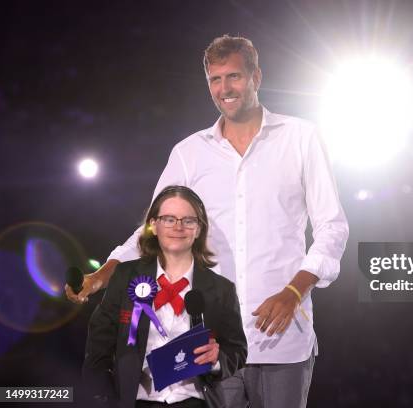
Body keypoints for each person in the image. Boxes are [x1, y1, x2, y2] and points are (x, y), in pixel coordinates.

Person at [70, 34, 349, 408]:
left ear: (256, 77)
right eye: (215, 80)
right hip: (209, 344)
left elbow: (332, 226)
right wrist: (105, 272)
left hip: (283, 341)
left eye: (233, 76)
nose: (224, 88)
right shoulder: (189, 153)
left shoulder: (300, 138)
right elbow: (155, 228)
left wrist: (294, 291)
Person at [83, 185, 247, 408]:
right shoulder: (125, 275)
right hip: (137, 401)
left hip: (195, 401)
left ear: (199, 229)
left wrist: (217, 360)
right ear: (153, 225)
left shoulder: (221, 288)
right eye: (169, 219)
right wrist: (100, 396)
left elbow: (237, 349)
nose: (178, 227)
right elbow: (100, 342)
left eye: (188, 220)